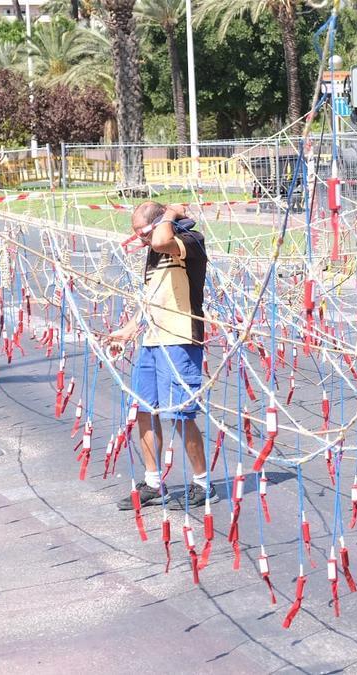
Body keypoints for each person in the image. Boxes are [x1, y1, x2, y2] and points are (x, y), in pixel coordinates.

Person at [107, 201, 216, 509]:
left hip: (180, 339)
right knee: (144, 410)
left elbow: (160, 239)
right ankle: (154, 484)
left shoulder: (189, 240)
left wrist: (170, 214)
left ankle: (203, 483)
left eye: (142, 232)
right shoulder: (154, 251)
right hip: (153, 340)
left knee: (180, 414)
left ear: (157, 225)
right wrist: (127, 331)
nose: (141, 241)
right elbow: (150, 298)